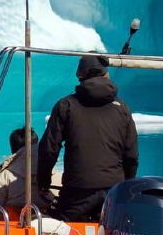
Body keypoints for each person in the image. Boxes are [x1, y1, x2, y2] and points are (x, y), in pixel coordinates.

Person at [34, 54, 138, 222]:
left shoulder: (66, 105)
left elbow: (49, 148)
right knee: (111, 230)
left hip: (77, 191)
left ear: (80, 75)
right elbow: (131, 154)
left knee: (60, 228)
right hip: (113, 189)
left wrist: (43, 181)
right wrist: (125, 185)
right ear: (106, 74)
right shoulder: (122, 108)